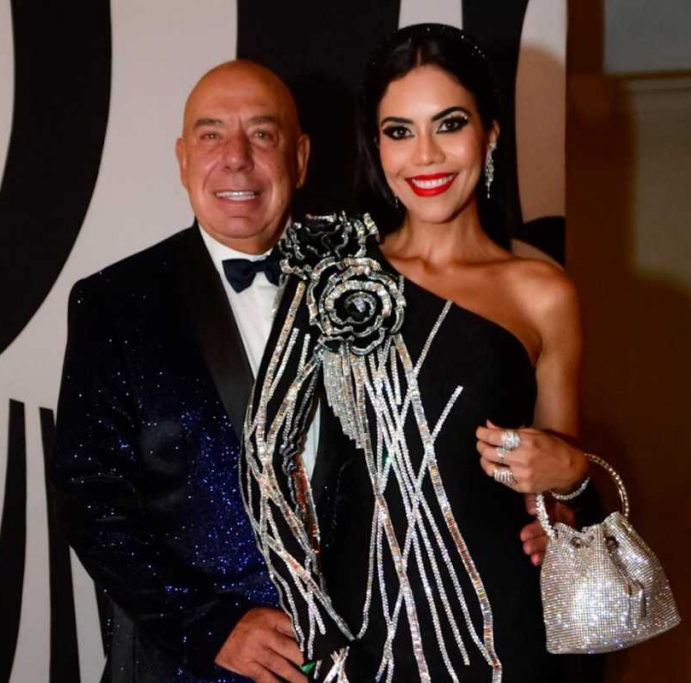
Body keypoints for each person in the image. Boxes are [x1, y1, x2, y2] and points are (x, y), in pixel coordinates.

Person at [240, 24, 596, 682]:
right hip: (360, 632)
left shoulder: (544, 292)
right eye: (399, 130)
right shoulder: (330, 269)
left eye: (449, 124)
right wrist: (318, 633)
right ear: (376, 146)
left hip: (507, 631)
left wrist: (570, 487)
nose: (424, 156)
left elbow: (565, 481)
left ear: (490, 134)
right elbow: (265, 456)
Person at [51, 60, 313, 683]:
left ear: (300, 158)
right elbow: (92, 501)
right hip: (189, 667)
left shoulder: (365, 291)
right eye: (211, 134)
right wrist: (211, 626)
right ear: (182, 159)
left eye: (263, 134)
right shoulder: (114, 304)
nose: (237, 158)